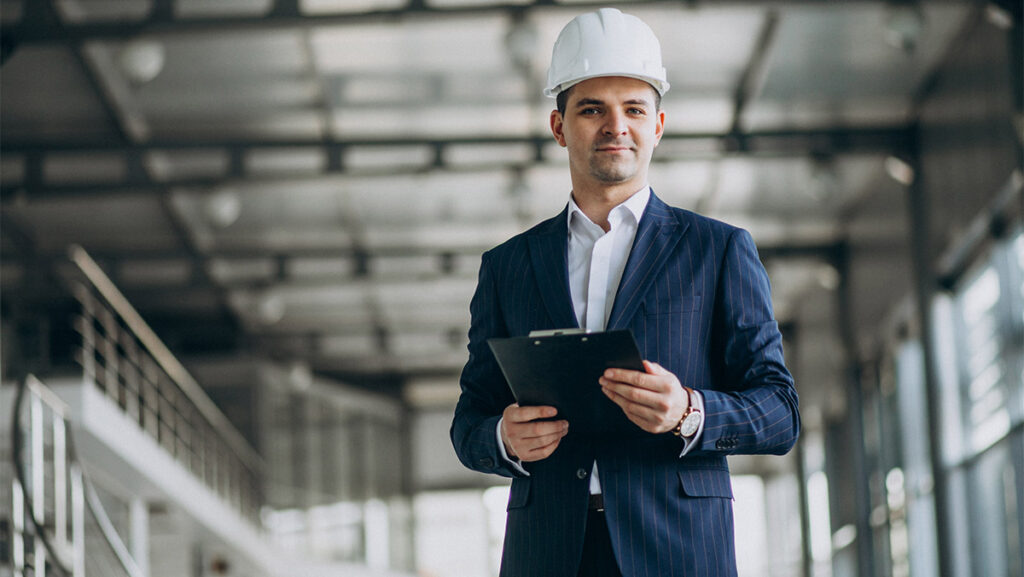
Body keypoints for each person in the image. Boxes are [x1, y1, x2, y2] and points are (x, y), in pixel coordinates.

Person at [450, 7, 800, 577]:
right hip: (548, 552)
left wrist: (690, 411)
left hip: (678, 549)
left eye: (634, 109)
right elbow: (470, 420)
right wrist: (502, 437)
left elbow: (780, 413)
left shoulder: (718, 251)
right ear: (559, 126)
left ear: (657, 124)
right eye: (592, 109)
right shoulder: (507, 267)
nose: (617, 125)